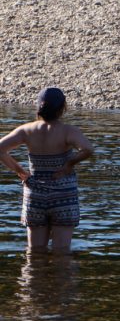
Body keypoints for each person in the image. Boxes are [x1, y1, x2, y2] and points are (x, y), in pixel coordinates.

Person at [0, 88, 93, 253]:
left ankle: (34, 277)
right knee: (62, 252)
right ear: (62, 107)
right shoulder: (68, 131)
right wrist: (69, 164)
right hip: (63, 192)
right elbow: (87, 149)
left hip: (34, 193)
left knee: (34, 252)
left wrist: (20, 171)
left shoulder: (26, 130)